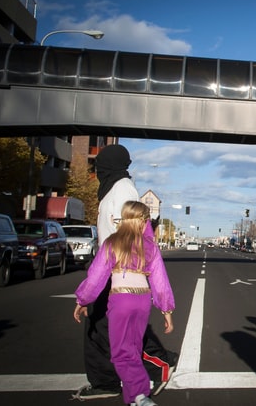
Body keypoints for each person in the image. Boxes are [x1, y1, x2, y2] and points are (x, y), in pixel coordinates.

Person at [73, 144, 177, 401]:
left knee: (122, 343)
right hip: (134, 290)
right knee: (112, 335)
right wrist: (166, 308)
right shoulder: (114, 189)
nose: (97, 170)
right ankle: (113, 382)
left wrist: (83, 299)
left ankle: (146, 380)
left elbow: (99, 272)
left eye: (100, 165)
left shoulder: (123, 189)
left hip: (115, 276)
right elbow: (160, 276)